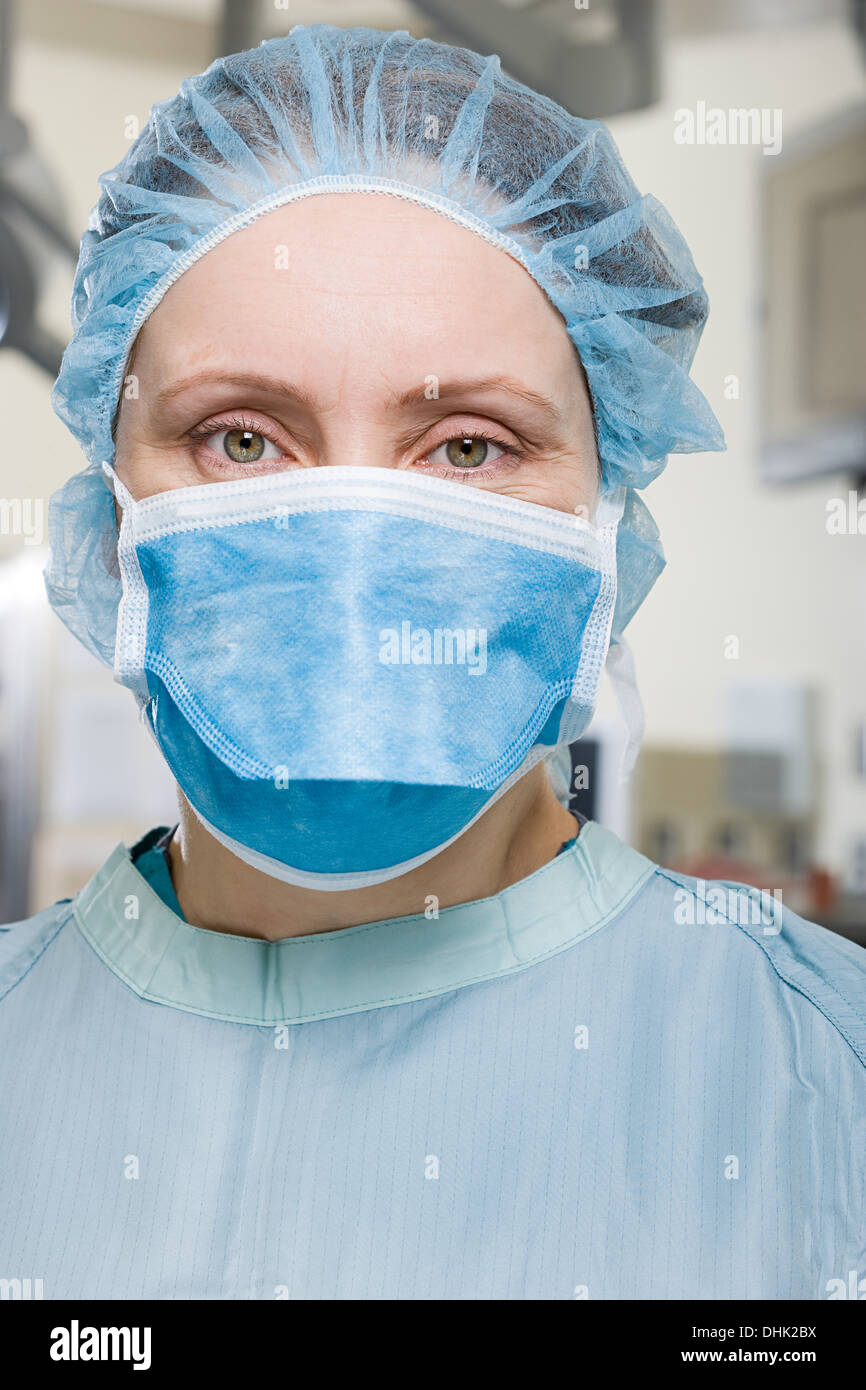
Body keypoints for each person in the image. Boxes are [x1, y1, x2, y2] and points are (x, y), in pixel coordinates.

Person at [1, 23, 863, 1301]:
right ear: (109, 510)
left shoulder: (817, 1075)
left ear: (603, 526)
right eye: (241, 439)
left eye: (469, 446)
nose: (352, 544)